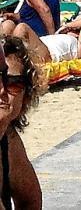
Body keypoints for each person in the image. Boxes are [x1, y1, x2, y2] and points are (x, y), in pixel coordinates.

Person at [0, 37, 43, 209]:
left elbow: (30, 201)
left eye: (13, 83)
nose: (2, 89)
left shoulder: (8, 140)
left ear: (26, 96)